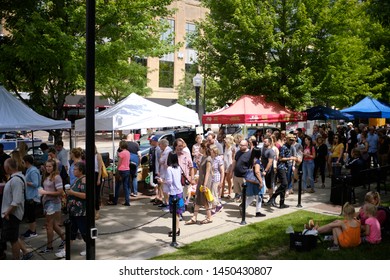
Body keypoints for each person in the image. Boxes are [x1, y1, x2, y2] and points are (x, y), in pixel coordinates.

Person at [1, 158, 33, 260]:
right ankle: (23, 253)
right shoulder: (17, 177)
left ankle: (16, 259)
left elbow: (16, 200)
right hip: (11, 213)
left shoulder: (16, 180)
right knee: (12, 237)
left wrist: (7, 213)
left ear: (7, 167)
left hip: (12, 215)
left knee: (13, 239)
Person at [55, 161, 87, 258]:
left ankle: (89, 246)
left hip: (81, 212)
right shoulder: (77, 180)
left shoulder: (84, 180)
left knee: (83, 231)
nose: (73, 171)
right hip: (74, 211)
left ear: (81, 170)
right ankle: (65, 250)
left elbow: (85, 195)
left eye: (75, 169)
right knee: (71, 232)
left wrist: (72, 193)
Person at [38, 159, 65, 253]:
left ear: (54, 167)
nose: (48, 168)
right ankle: (65, 239)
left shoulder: (57, 177)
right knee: (53, 225)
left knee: (49, 226)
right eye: (47, 166)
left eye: (50, 166)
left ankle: (49, 247)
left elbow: (60, 192)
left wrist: (45, 192)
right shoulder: (46, 176)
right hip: (47, 203)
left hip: (53, 204)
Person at [185, 140, 213, 225]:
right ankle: (194, 217)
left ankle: (209, 217)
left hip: (205, 182)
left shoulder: (208, 159)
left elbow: (208, 172)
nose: (199, 149)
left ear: (204, 148)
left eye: (200, 147)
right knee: (197, 199)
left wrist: (204, 185)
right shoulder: (203, 157)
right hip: (200, 180)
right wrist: (198, 164)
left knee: (204, 200)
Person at [164, 152, 185, 237]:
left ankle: (176, 230)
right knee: (177, 213)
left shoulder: (169, 169)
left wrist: (162, 181)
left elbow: (169, 181)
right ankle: (176, 228)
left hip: (173, 192)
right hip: (179, 191)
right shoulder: (178, 168)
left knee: (175, 213)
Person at [21, 155, 41, 238]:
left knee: (31, 215)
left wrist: (25, 182)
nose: (22, 164)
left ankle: (33, 231)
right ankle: (31, 230)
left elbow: (36, 184)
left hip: (32, 196)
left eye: (23, 162)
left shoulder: (33, 171)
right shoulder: (29, 170)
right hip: (29, 195)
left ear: (27, 162)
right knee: (29, 214)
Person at [242, 147, 266, 217]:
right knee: (259, 196)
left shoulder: (251, 160)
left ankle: (243, 207)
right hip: (256, 181)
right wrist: (261, 181)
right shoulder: (257, 161)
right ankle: (258, 212)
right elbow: (257, 171)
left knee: (251, 196)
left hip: (249, 180)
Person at [110, 140, 131, 206]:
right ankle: (127, 201)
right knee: (125, 187)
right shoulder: (128, 152)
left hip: (121, 170)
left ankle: (115, 201)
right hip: (127, 169)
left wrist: (117, 170)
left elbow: (119, 163)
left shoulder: (121, 153)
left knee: (117, 186)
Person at [156, 139, 172, 212]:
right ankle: (166, 203)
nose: (159, 146)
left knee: (166, 190)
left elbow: (161, 161)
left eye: (160, 145)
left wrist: (161, 157)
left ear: (163, 144)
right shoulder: (165, 151)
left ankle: (168, 204)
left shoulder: (167, 151)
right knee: (164, 189)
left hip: (165, 173)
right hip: (163, 172)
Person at [209, 144, 224, 214]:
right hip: (211, 178)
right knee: (212, 193)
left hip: (216, 178)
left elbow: (222, 171)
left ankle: (214, 208)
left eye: (210, 150)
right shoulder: (210, 158)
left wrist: (221, 181)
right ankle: (219, 205)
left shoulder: (218, 159)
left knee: (214, 193)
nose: (209, 151)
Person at [94, 146, 104, 220]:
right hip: (91, 174)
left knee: (96, 194)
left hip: (97, 174)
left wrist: (98, 179)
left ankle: (97, 211)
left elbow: (100, 168)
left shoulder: (98, 155)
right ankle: (93, 210)